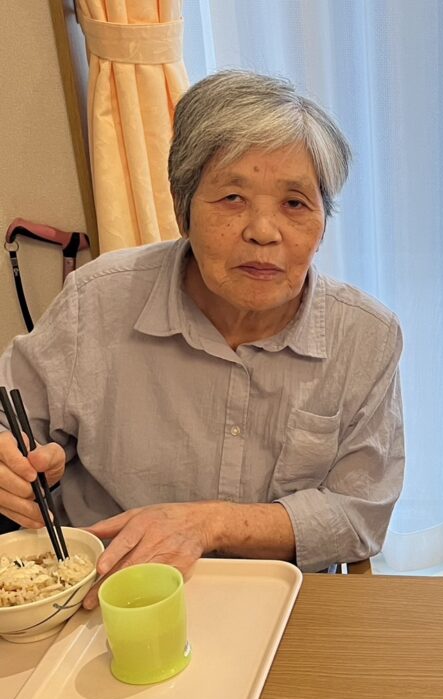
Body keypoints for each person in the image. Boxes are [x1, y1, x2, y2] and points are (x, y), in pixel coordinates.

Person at [0, 70, 404, 606]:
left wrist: (210, 523)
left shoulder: (366, 337)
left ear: (322, 223)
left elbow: (359, 514)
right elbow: (11, 418)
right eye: (233, 197)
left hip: (280, 603)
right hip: (107, 595)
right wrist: (13, 463)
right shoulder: (95, 301)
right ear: (182, 209)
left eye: (294, 203)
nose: (264, 232)